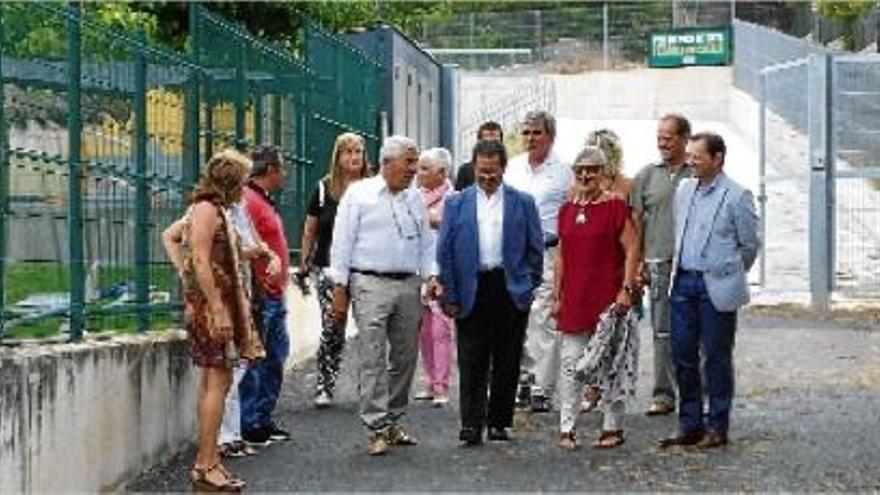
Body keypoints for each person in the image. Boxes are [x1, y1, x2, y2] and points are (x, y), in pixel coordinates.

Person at [329, 135, 442, 456]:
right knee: (372, 356)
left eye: (416, 163)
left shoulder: (416, 199)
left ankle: (393, 419)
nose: (414, 170)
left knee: (405, 357)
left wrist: (432, 275)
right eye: (408, 163)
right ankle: (376, 426)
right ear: (387, 162)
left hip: (408, 285)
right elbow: (342, 244)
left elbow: (425, 242)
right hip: (369, 284)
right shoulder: (359, 194)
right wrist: (340, 289)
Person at [162, 149, 265, 491]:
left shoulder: (210, 208)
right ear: (232, 180)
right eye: (243, 180)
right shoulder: (207, 209)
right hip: (213, 308)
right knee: (217, 383)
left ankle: (208, 462)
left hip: (216, 303)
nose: (246, 186)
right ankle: (206, 463)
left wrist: (189, 274)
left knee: (214, 382)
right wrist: (216, 306)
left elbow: (180, 243)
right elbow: (202, 260)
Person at [437, 139, 543, 446]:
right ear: (474, 166)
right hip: (472, 286)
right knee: (472, 358)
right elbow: (445, 252)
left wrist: (528, 284)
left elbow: (535, 250)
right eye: (481, 172)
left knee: (508, 358)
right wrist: (450, 295)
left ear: (503, 168)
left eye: (492, 173)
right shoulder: (456, 203)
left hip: (509, 287)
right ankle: (471, 424)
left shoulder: (523, 202)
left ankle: (498, 421)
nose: (487, 178)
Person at [660, 132, 760, 450]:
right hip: (684, 282)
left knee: (716, 357)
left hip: (715, 284)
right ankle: (690, 423)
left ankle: (718, 425)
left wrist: (726, 273)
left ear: (718, 158)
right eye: (689, 155)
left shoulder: (737, 195)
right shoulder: (685, 190)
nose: (690, 160)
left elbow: (749, 245)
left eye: (697, 156)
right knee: (682, 354)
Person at [554, 146, 640, 450]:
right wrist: (557, 295)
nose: (586, 175)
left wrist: (627, 289)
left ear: (603, 173)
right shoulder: (566, 210)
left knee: (612, 364)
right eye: (580, 170)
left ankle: (611, 427)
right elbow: (561, 255)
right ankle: (567, 428)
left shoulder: (616, 207)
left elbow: (631, 248)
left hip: (609, 298)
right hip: (576, 298)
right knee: (571, 364)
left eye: (592, 169)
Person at [504, 110, 573, 413]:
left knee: (542, 318)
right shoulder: (513, 168)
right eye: (527, 133)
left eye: (537, 133)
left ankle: (542, 387)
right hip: (514, 252)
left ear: (550, 136)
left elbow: (570, 216)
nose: (531, 139)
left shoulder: (563, 171)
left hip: (548, 251)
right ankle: (520, 379)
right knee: (514, 314)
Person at [299, 132, 371, 408]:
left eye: (358, 152)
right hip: (329, 268)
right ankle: (325, 384)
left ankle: (369, 387)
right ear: (338, 157)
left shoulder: (374, 188)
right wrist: (305, 262)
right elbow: (310, 229)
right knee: (333, 327)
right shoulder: (323, 189)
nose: (353, 157)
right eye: (347, 152)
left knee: (370, 329)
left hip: (366, 270)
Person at [630, 114, 695, 417]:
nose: (662, 142)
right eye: (659, 136)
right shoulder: (646, 176)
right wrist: (638, 263)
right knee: (662, 332)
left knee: (695, 333)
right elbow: (636, 223)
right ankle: (663, 394)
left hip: (693, 265)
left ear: (684, 138)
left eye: (668, 137)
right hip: (658, 263)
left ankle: (695, 395)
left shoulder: (697, 173)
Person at [239, 145, 292, 446]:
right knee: (258, 359)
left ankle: (262, 417)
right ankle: (251, 422)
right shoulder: (249, 201)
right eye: (281, 169)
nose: (284, 175)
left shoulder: (261, 201)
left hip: (274, 292)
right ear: (270, 170)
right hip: (262, 294)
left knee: (275, 355)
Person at [414, 147, 456, 406]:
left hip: (442, 271)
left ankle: (442, 384)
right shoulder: (414, 196)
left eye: (424, 168)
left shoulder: (453, 198)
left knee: (441, 329)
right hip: (418, 269)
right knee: (423, 330)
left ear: (441, 173)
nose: (418, 173)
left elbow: (449, 227)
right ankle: (430, 380)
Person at [455, 121, 503, 191]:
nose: (492, 146)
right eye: (487, 142)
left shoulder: (511, 170)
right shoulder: (465, 171)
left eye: (495, 142)